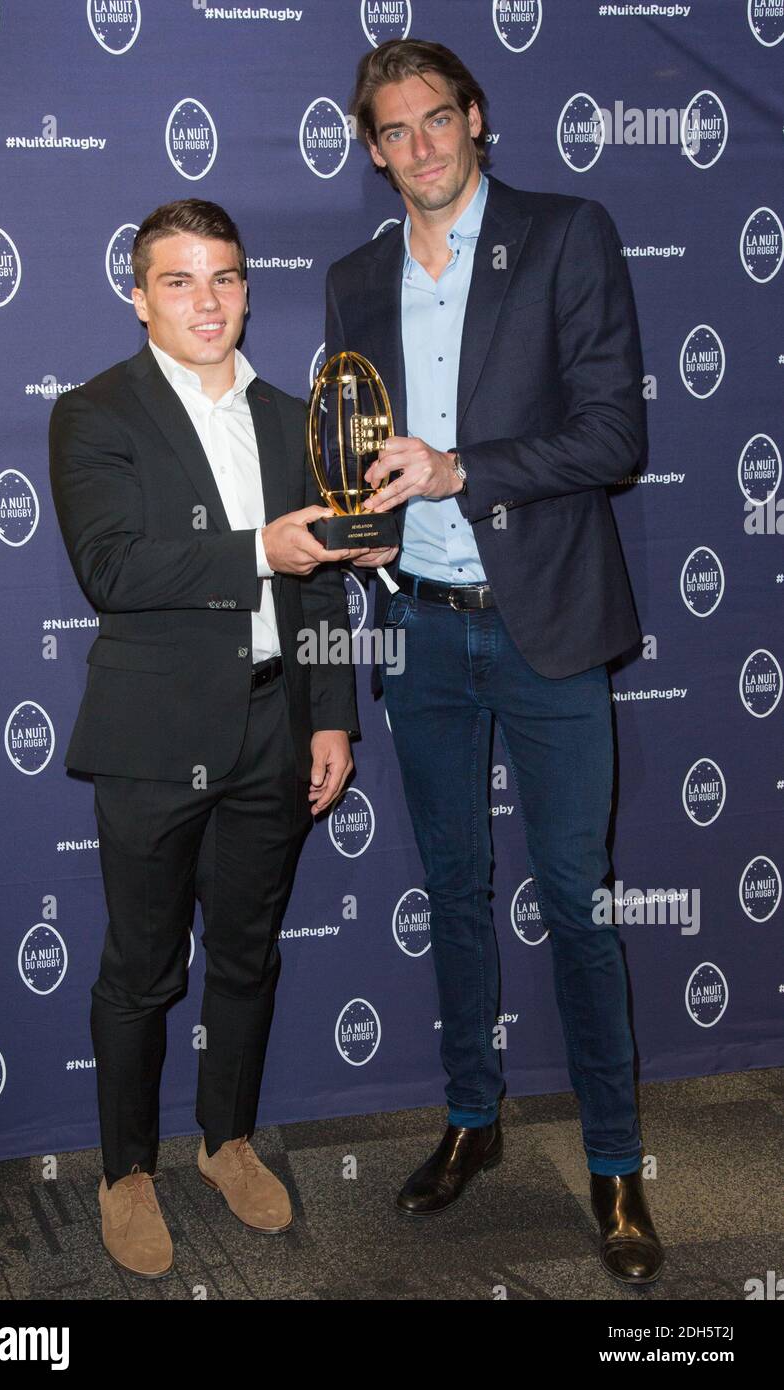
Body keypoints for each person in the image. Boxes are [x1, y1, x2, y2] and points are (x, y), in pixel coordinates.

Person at [325, 39, 663, 1285]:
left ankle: (617, 1164)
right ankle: (471, 1119)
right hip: (416, 625)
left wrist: (460, 469)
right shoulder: (352, 277)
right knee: (454, 894)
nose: (419, 147)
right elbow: (354, 440)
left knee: (576, 902)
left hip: (547, 622)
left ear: (476, 118)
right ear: (370, 149)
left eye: (436, 120)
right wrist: (360, 531)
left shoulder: (567, 231)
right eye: (393, 131)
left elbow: (613, 434)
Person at [50, 198, 360, 1278]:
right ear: (138, 295)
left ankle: (226, 1139)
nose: (206, 301)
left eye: (223, 277)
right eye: (177, 280)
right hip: (149, 738)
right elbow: (114, 568)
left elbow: (318, 589)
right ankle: (124, 1169)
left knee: (245, 955)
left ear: (244, 285)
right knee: (140, 971)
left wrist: (329, 714)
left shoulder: (289, 417)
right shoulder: (94, 413)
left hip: (273, 729)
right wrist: (256, 551)